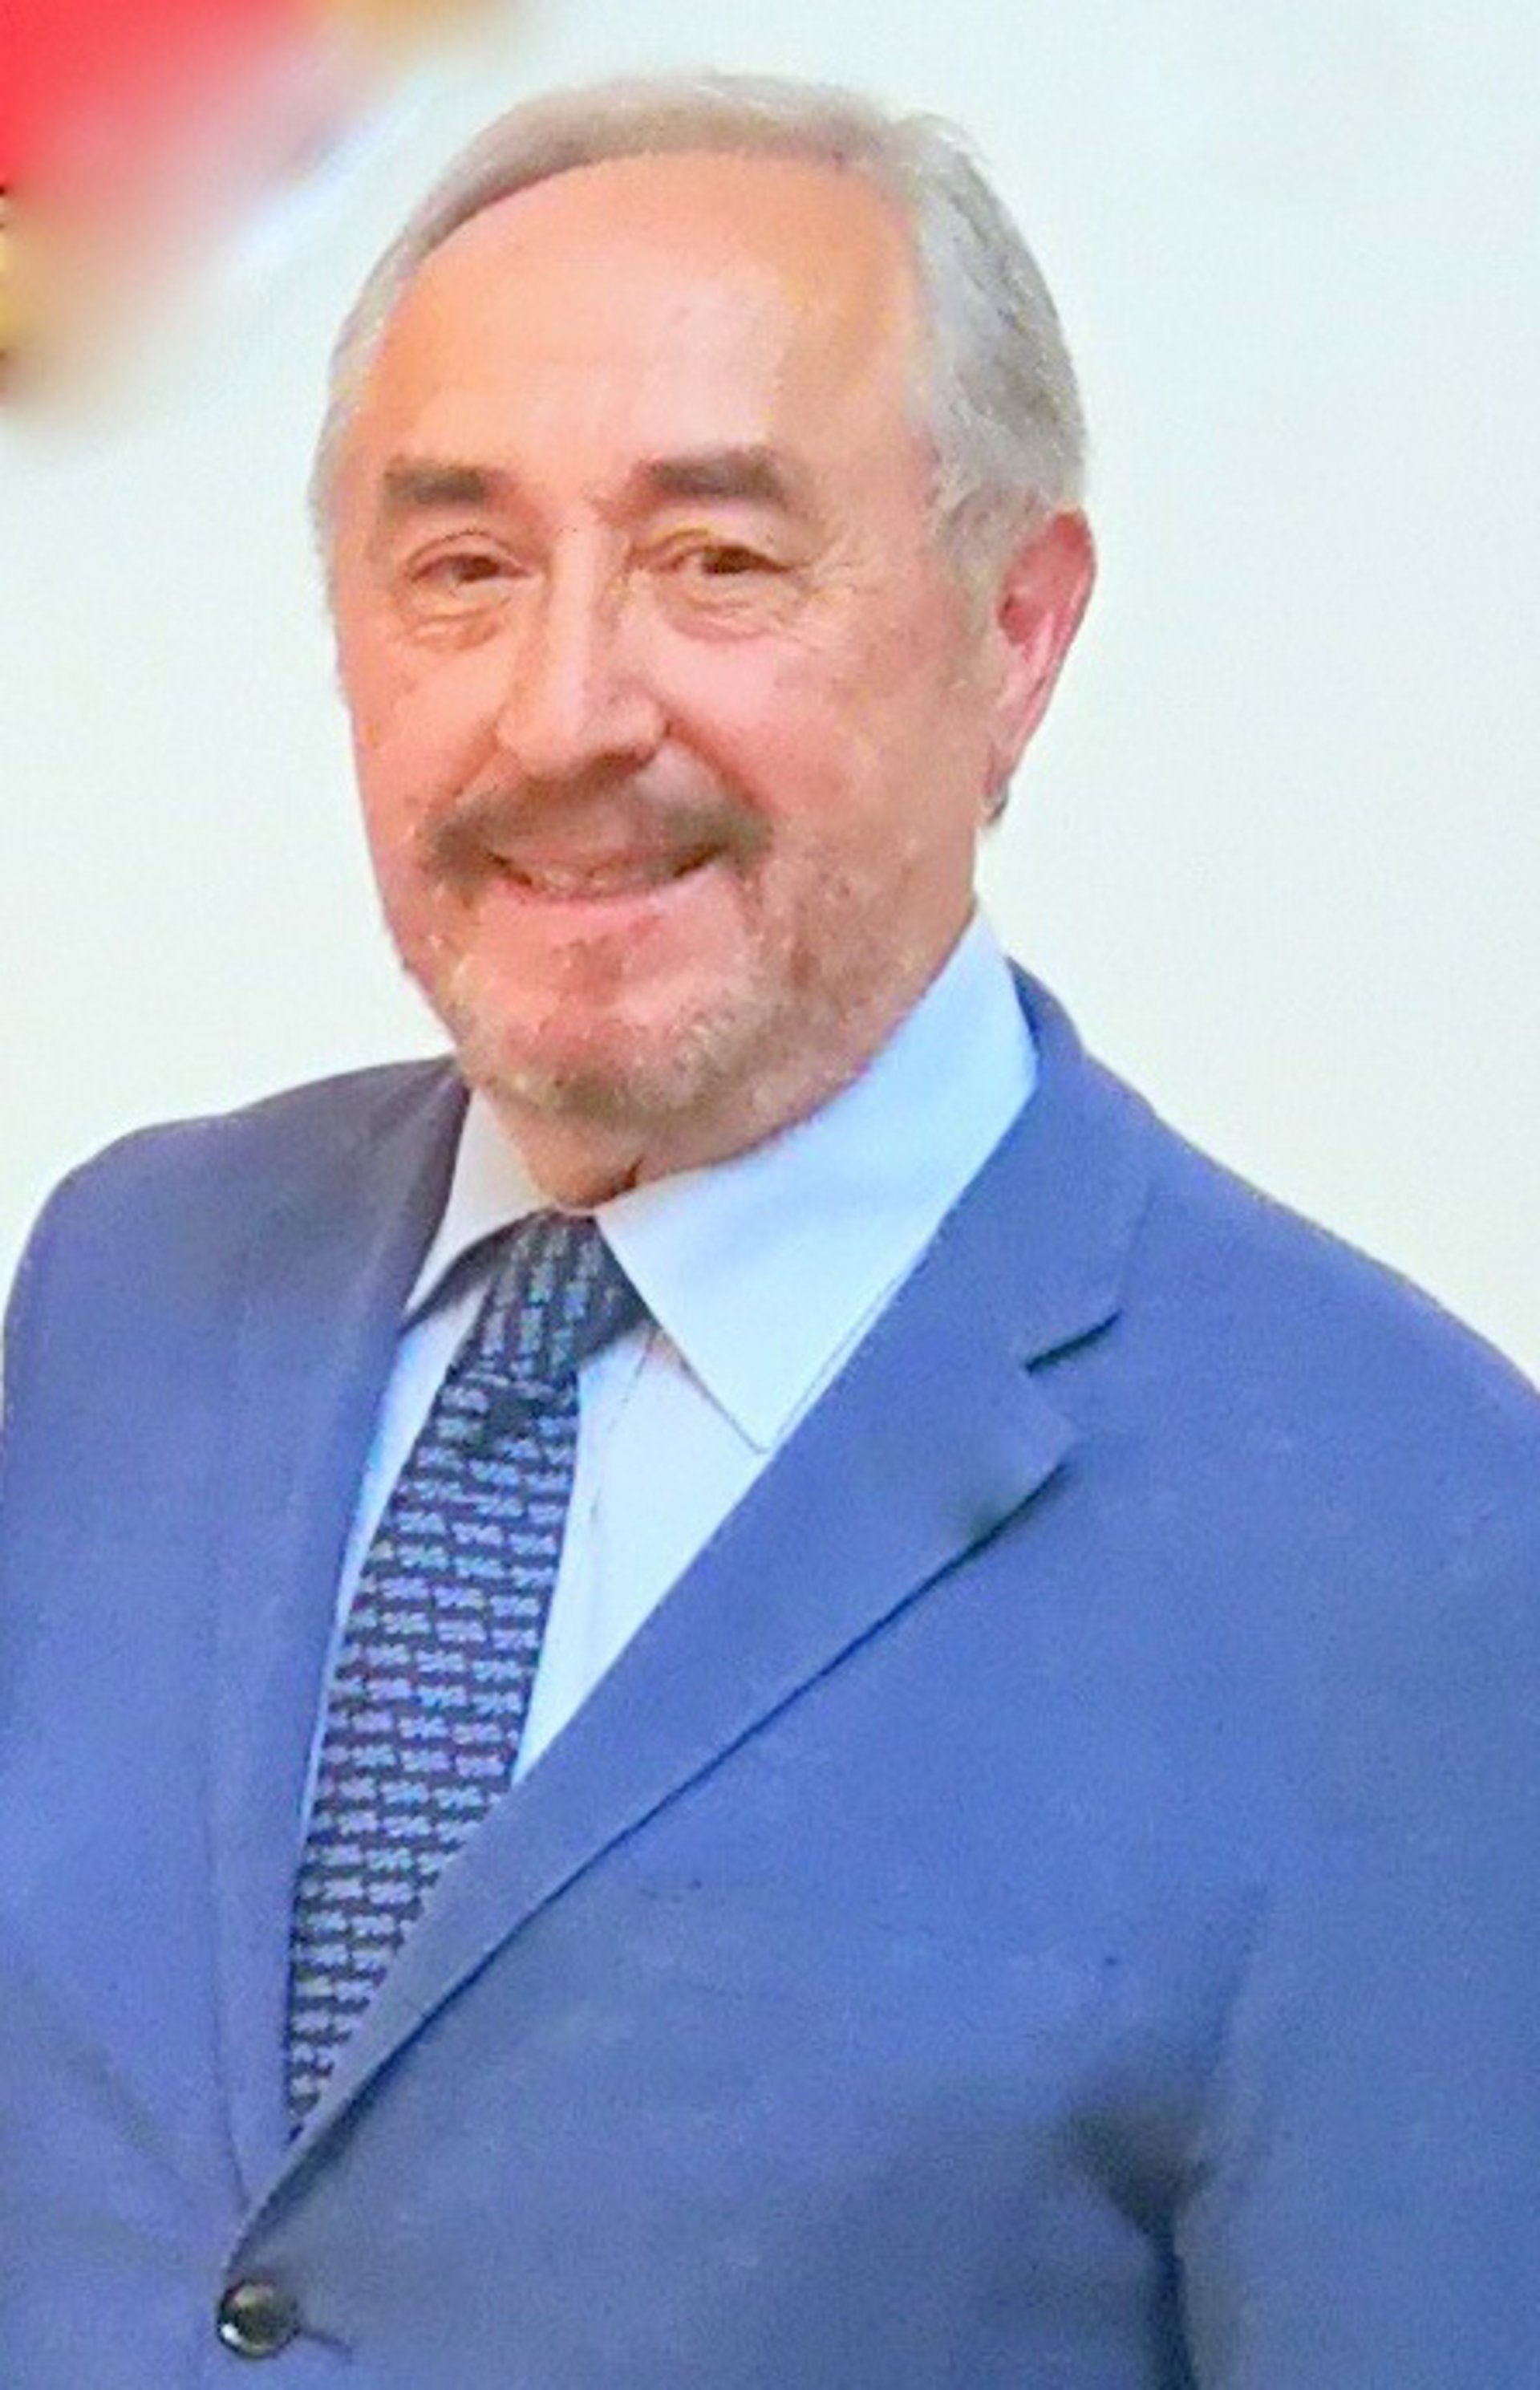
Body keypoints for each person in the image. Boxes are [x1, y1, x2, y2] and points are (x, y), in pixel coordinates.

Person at [2, 71, 1538, 2390]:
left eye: (717, 559)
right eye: (462, 568)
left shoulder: (1418, 1551)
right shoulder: (130, 1289)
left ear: (1017, 628)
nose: (564, 712)